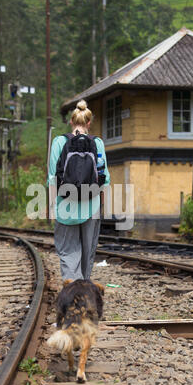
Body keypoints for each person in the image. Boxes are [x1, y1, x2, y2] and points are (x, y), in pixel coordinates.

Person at [48, 99, 110, 281]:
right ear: (89, 123)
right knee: (87, 252)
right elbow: (104, 177)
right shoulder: (97, 143)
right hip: (91, 205)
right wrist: (102, 206)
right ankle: (84, 290)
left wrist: (52, 207)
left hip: (65, 204)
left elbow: (52, 177)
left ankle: (72, 290)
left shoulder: (59, 142)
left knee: (68, 251)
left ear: (71, 121)